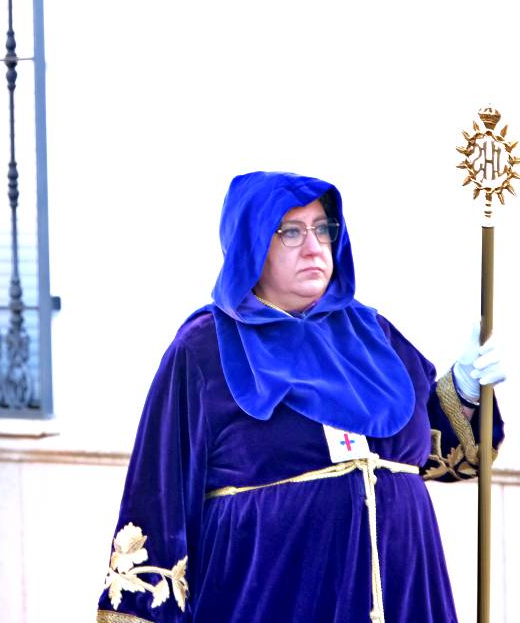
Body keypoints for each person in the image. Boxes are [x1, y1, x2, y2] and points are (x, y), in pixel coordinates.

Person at [94, 171, 506, 623]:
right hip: (277, 597)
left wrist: (465, 390)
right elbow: (159, 495)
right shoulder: (204, 349)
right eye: (290, 231)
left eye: (322, 228)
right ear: (252, 244)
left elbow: (432, 455)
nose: (314, 246)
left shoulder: (374, 333)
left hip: (405, 594)